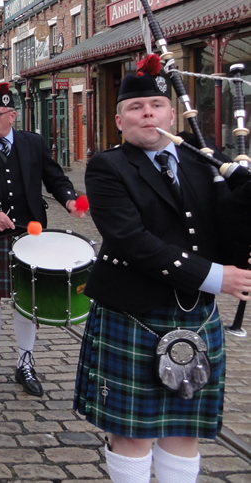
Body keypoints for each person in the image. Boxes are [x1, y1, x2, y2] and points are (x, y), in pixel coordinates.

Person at [73, 62, 251, 482]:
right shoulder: (107, 167)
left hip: (196, 315)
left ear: (172, 114)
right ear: (119, 121)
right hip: (134, 311)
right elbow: (131, 241)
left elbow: (227, 230)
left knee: (184, 432)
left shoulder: (206, 159)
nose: (148, 114)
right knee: (133, 434)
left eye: (157, 104)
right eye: (136, 107)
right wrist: (217, 277)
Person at [0, 82, 84, 397]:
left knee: (28, 303)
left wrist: (68, 199)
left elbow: (55, 177)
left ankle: (25, 362)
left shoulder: (32, 144)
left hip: (29, 237)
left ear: (12, 116)